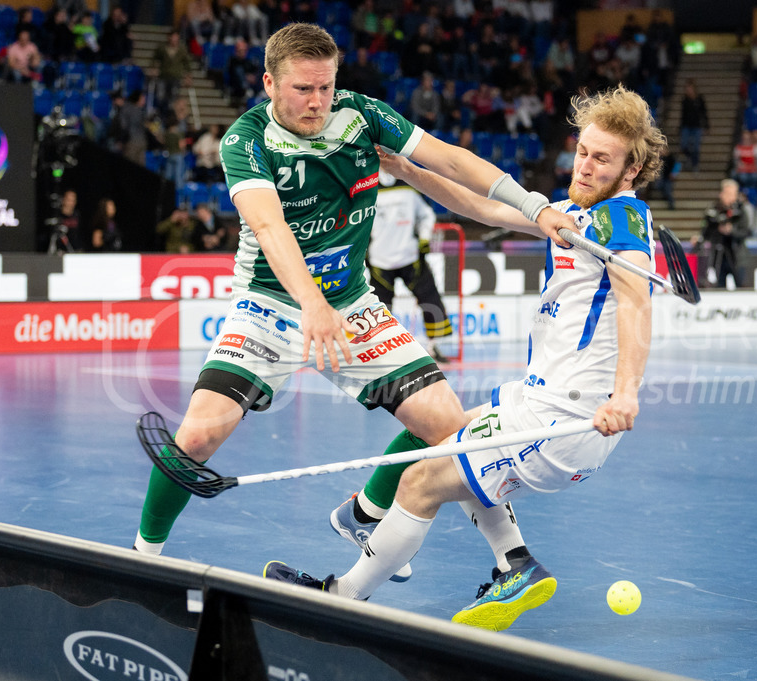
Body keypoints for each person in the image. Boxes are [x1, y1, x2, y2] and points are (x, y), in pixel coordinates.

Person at [132, 23, 575, 557]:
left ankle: (369, 516)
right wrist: (312, 304)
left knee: (446, 425)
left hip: (352, 304)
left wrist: (534, 208)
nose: (317, 102)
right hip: (268, 306)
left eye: (326, 87)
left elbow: (450, 161)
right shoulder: (246, 141)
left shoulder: (362, 115)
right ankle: (143, 557)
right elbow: (270, 228)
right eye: (303, 88)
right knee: (197, 439)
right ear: (269, 83)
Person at [266, 85, 664, 631]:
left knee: (421, 482)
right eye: (582, 151)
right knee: (447, 431)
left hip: (567, 416)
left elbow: (636, 302)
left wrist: (628, 393)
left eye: (602, 159)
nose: (585, 166)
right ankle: (514, 564)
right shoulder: (573, 214)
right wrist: (406, 169)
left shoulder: (622, 219)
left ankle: (341, 597)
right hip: (538, 400)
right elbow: (478, 204)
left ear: (631, 168)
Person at [367, 169, 453, 362]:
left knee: (430, 299)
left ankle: (434, 346)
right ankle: (381, 351)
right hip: (380, 260)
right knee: (379, 309)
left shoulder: (409, 186)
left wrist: (424, 238)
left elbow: (427, 216)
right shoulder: (366, 188)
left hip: (410, 257)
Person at [693, 179, 750, 288]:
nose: (730, 197)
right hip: (718, 256)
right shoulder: (713, 210)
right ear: (721, 194)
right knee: (719, 287)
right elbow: (706, 231)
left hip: (737, 256)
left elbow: (745, 232)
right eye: (728, 194)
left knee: (741, 287)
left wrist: (731, 230)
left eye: (733, 194)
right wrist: (700, 238)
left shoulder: (741, 211)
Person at [679, 79, 708, 172]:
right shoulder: (685, 100)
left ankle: (695, 164)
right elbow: (683, 114)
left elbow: (704, 113)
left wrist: (706, 125)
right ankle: (689, 158)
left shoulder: (699, 99)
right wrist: (680, 126)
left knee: (696, 147)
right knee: (684, 145)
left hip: (697, 126)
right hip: (686, 125)